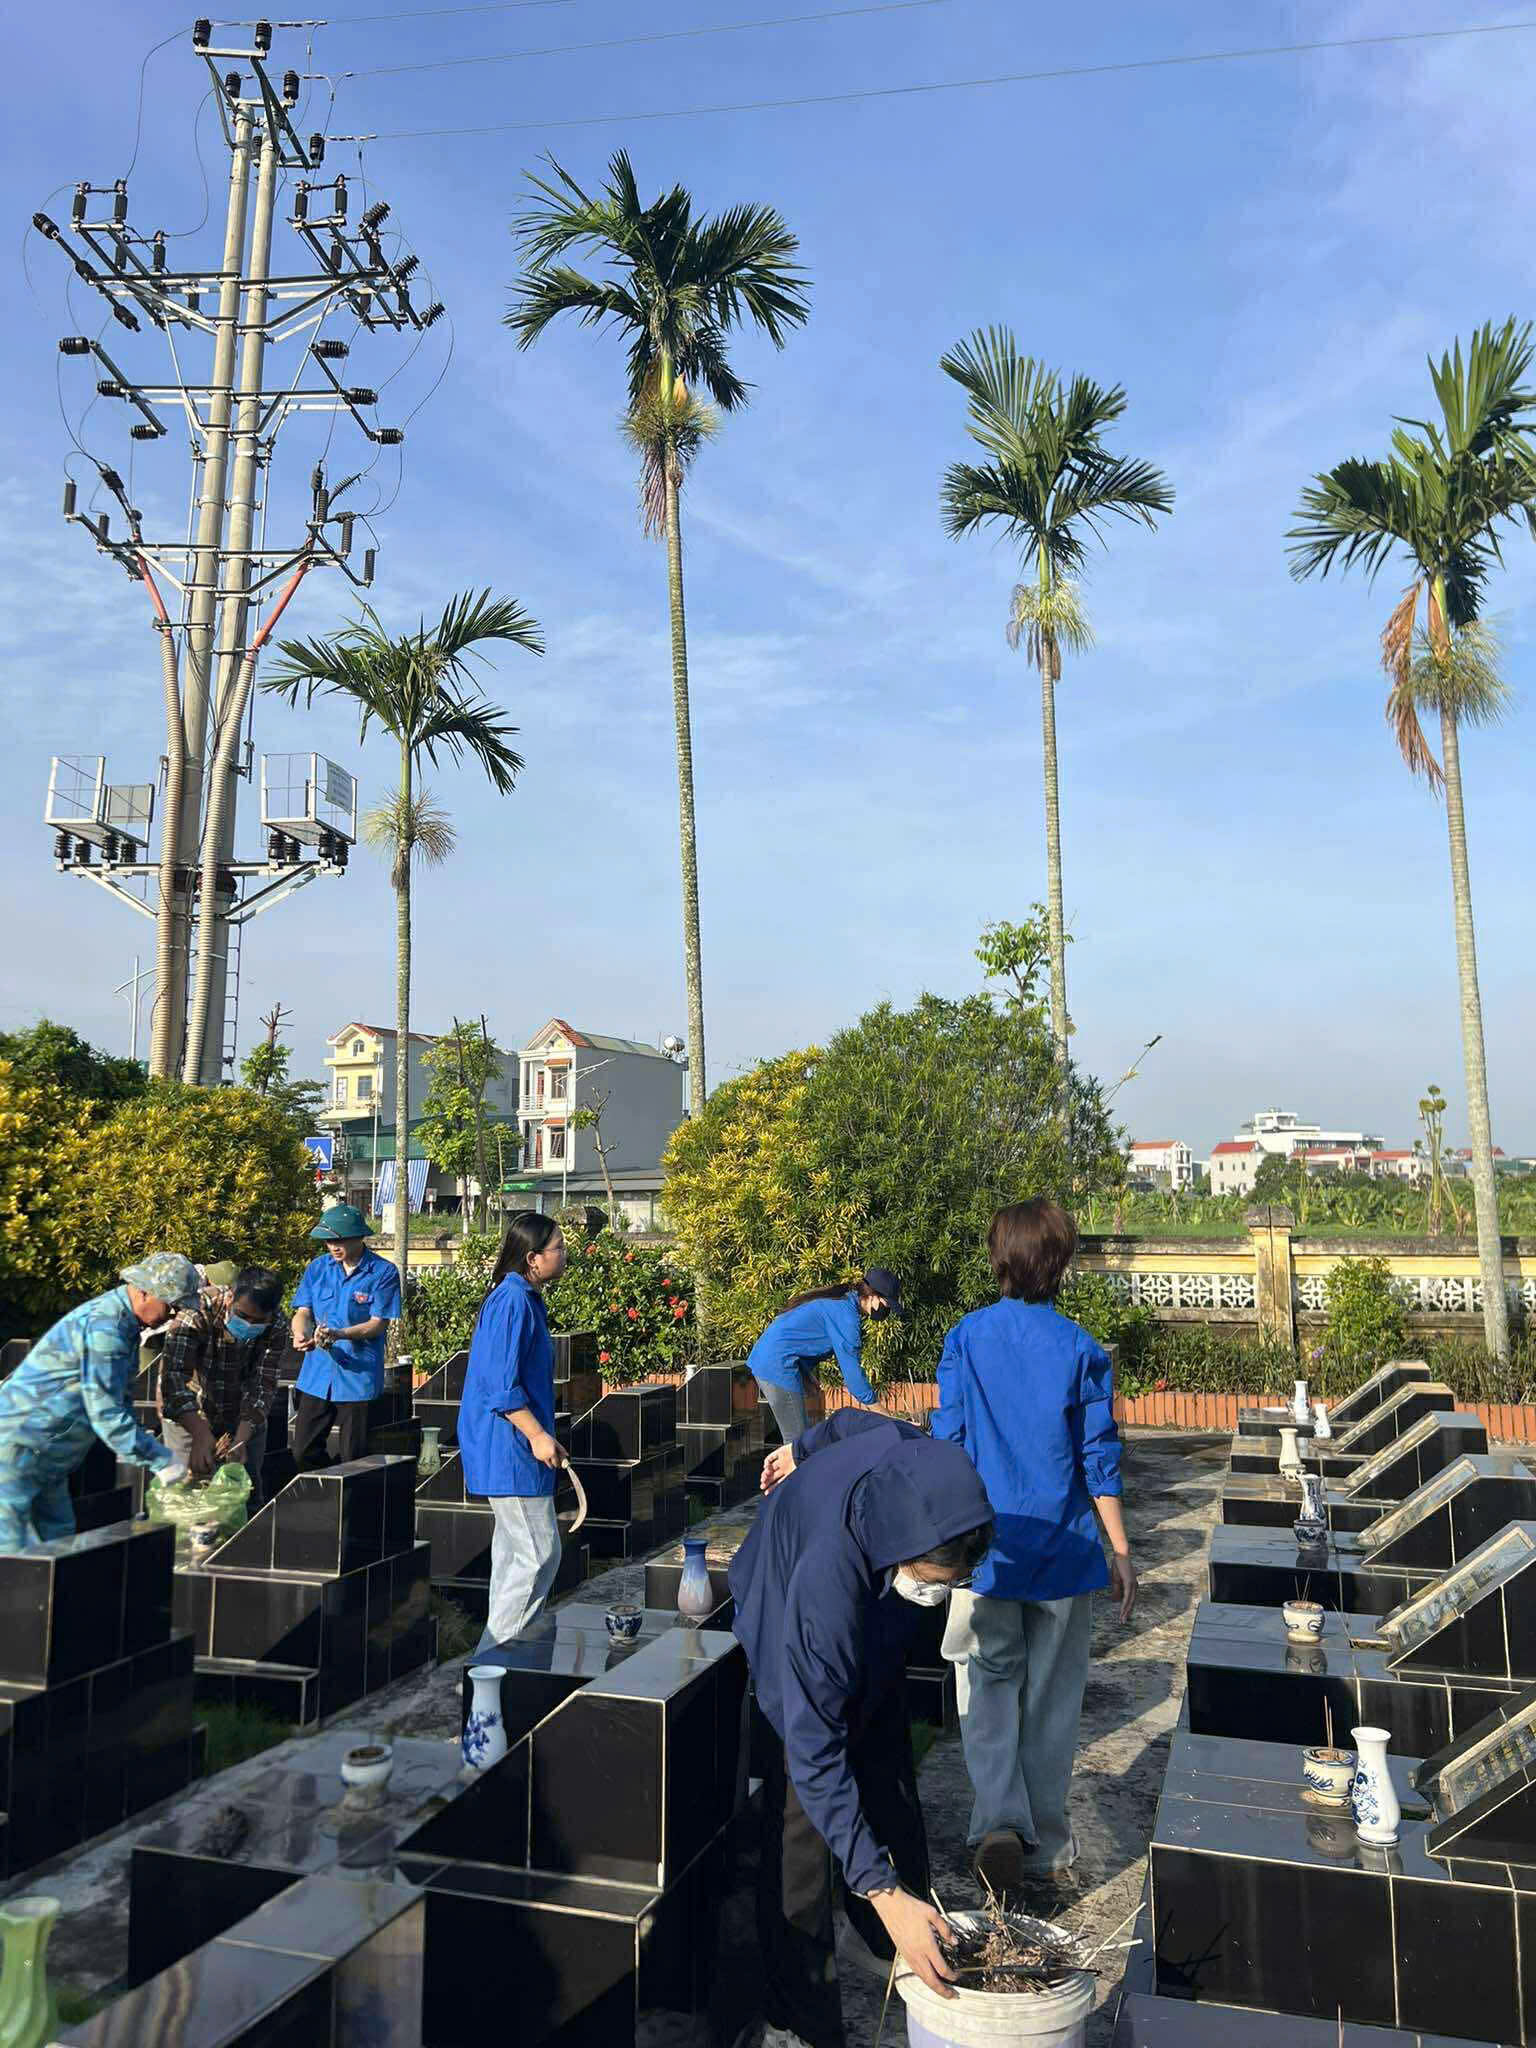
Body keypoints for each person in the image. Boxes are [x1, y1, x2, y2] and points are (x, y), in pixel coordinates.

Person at [732, 1406, 994, 2048]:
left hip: (872, 1606)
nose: (941, 1592)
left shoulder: (921, 1467)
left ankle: (889, 1936)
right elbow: (815, 1749)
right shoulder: (824, 1583)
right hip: (782, 1595)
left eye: (954, 1582)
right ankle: (797, 2011)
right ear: (904, 1550)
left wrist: (801, 1448)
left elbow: (849, 1421)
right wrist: (880, 1886)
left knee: (884, 1755)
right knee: (801, 1812)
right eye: (935, 1581)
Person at [933, 1198, 1137, 1898]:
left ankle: (997, 1819)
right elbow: (1097, 1458)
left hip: (987, 1549)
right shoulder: (1080, 1348)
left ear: (1000, 1260)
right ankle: (1045, 1841)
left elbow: (950, 1444)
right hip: (1064, 1550)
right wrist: (1120, 1550)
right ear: (1061, 1263)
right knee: (1051, 1699)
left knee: (988, 1681)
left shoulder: (965, 1338)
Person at [0, 1254, 200, 1550]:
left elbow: (121, 1401)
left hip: (47, 1457)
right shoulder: (106, 1327)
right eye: (171, 1305)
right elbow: (106, 1412)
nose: (173, 1315)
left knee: (60, 1543)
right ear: (144, 1291)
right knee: (13, 1551)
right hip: (19, 1449)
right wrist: (162, 1461)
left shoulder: (125, 1326)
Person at [456, 1212, 569, 1652]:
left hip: (516, 1444)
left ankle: (505, 1664)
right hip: (509, 1447)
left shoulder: (523, 1297)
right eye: (558, 1248)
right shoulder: (512, 1301)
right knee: (538, 1555)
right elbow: (500, 1387)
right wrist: (538, 1436)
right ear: (532, 1258)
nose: (564, 1254)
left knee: (514, 1558)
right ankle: (494, 1662)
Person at [158, 1266, 286, 1510]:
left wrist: (241, 1440)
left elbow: (264, 1384)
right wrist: (199, 1433)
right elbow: (173, 1378)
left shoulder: (277, 1324)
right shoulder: (196, 1311)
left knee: (244, 1494)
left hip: (243, 1413)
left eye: (258, 1321)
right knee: (184, 1496)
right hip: (189, 1410)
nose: (249, 1324)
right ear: (230, 1298)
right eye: (242, 1315)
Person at [289, 1205, 402, 1469]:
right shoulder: (318, 1268)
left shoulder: (383, 1272)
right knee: (302, 1451)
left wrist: (340, 1334)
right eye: (328, 1241)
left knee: (353, 1458)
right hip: (317, 1375)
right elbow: (302, 1311)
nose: (333, 1246)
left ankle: (348, 1493)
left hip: (357, 1376)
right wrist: (300, 1333)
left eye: (339, 1240)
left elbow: (377, 1324)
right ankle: (323, 1488)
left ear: (359, 1237)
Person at [746, 1267, 903, 1446]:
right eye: (887, 1304)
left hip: (771, 1360)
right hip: (776, 1365)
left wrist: (805, 1375)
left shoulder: (841, 1301)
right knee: (797, 1443)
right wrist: (888, 1419)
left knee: (800, 1440)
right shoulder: (845, 1315)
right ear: (873, 1296)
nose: (887, 1310)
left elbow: (795, 1338)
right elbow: (854, 1378)